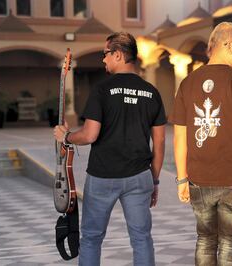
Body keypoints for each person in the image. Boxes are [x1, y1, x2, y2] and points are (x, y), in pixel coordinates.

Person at [54, 32, 166, 266]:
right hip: (139, 177)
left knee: (92, 239)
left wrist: (66, 136)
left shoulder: (102, 90)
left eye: (105, 54)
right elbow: (160, 141)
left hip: (103, 177)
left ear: (118, 54)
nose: (103, 60)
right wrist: (154, 180)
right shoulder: (152, 92)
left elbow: (89, 134)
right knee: (142, 239)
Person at [169, 22, 232, 265]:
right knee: (228, 240)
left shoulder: (188, 83)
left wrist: (182, 178)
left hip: (198, 179)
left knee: (205, 239)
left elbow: (180, 136)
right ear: (228, 45)